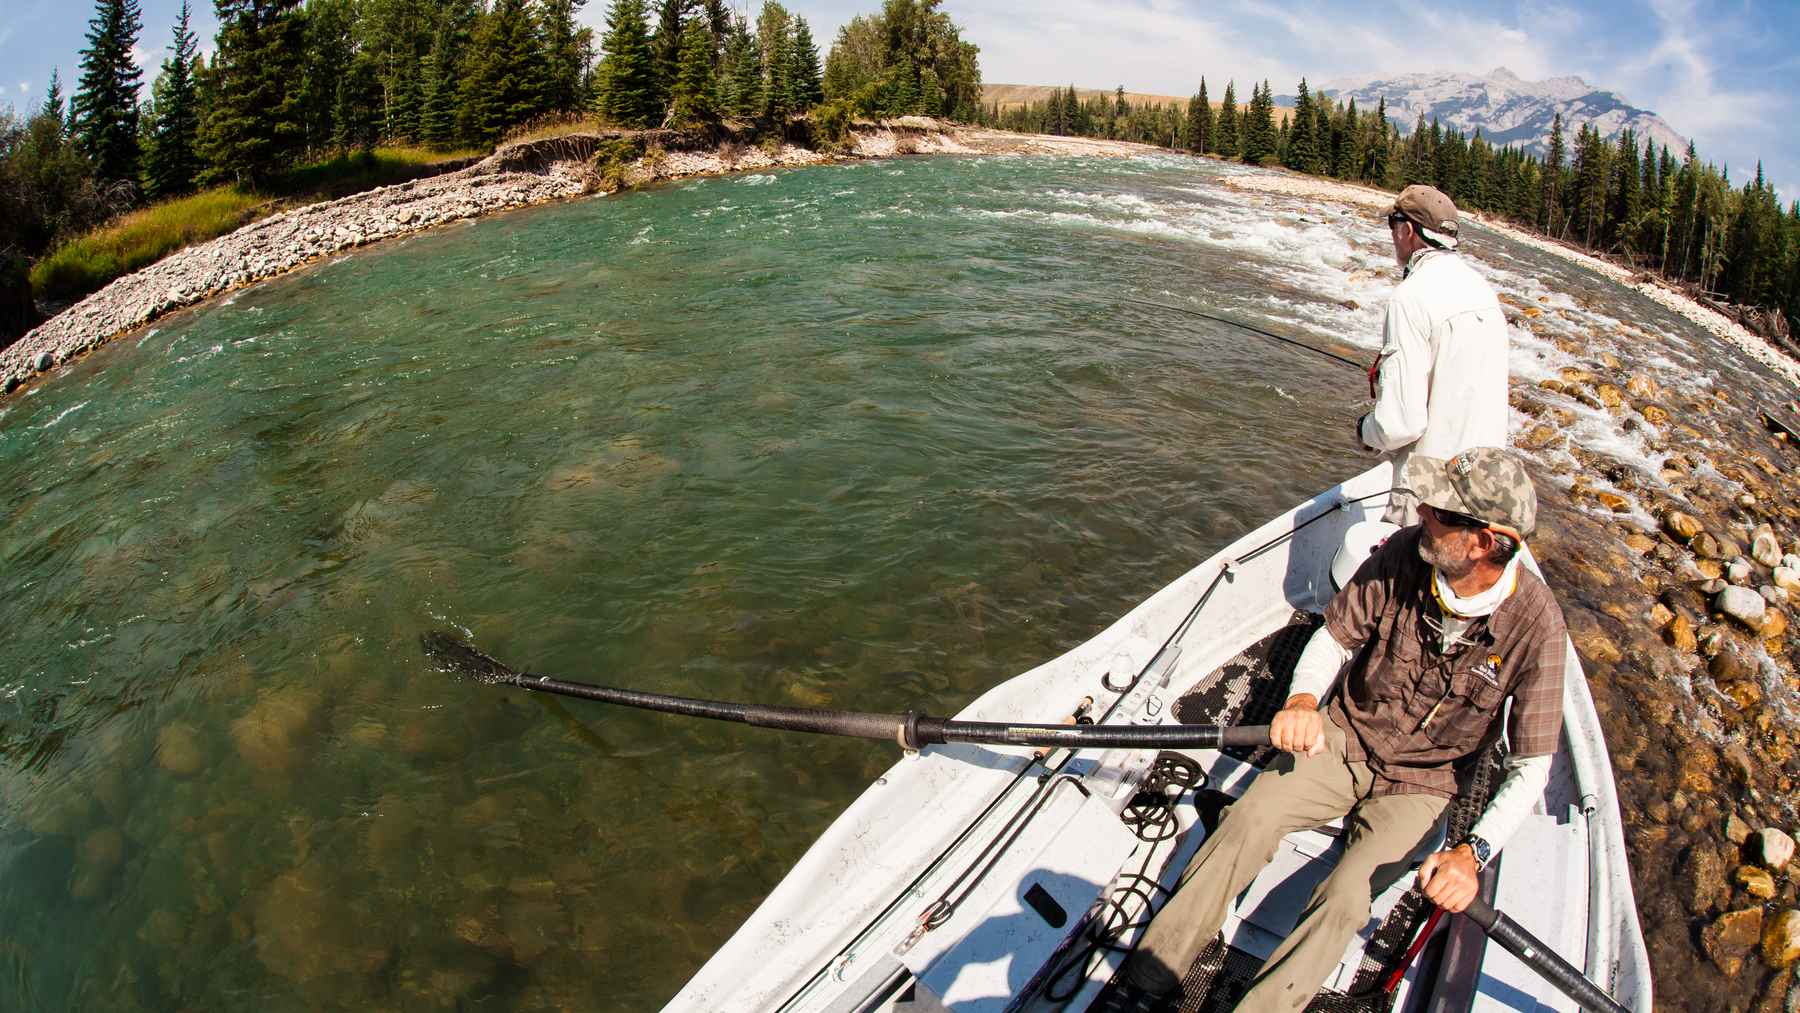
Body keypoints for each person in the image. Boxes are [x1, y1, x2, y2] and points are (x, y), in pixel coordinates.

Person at [1113, 448, 1565, 1012]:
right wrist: (1302, 701)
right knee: (1248, 818)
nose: (1422, 510)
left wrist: (1471, 854)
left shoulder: (1539, 625)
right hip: (1344, 737)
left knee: (1346, 897)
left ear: (1482, 542)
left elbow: (1531, 765)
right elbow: (1334, 638)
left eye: (1441, 512)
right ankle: (1144, 985)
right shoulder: (1404, 552)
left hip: (1422, 786)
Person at [1358, 185, 1510, 527]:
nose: (1393, 235)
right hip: (1482, 483)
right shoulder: (1482, 289)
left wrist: (1365, 431)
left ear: (1407, 230)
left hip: (1428, 492)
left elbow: (1400, 424)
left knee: (1405, 576)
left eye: (1393, 225)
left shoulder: (1410, 298)